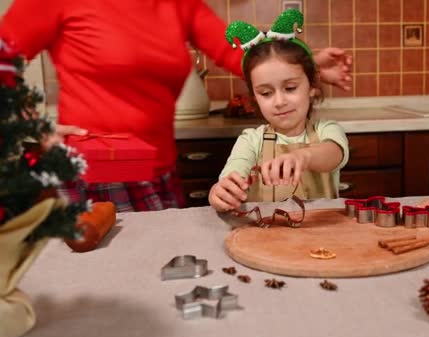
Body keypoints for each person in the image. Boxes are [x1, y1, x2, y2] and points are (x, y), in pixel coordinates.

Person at [0, 0, 352, 212]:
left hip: (159, 167)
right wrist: (30, 126)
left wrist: (310, 65)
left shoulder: (179, 3)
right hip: (96, 173)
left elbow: (238, 55)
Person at [208, 12, 349, 212]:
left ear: (312, 86)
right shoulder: (251, 141)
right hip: (268, 236)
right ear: (255, 97)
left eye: (290, 88)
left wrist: (303, 157)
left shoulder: (327, 131)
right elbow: (231, 176)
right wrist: (219, 192)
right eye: (266, 93)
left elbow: (334, 153)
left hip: (321, 236)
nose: (279, 102)